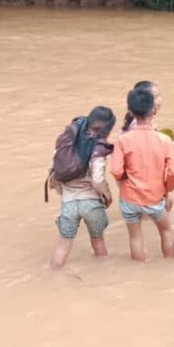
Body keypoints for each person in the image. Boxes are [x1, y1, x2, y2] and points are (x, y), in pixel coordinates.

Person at [111, 86, 174, 261]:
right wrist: (166, 189)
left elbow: (116, 170)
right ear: (154, 110)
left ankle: (138, 274)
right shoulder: (164, 140)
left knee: (135, 237)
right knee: (165, 231)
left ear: (130, 112)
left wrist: (125, 181)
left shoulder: (122, 139)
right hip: (154, 197)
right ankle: (169, 266)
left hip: (129, 198)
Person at [49, 107, 116, 269]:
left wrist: (62, 191)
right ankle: (104, 277)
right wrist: (107, 196)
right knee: (98, 242)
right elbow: (98, 180)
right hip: (91, 203)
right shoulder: (98, 148)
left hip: (69, 203)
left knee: (63, 247)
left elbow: (53, 170)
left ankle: (53, 279)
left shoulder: (66, 141)